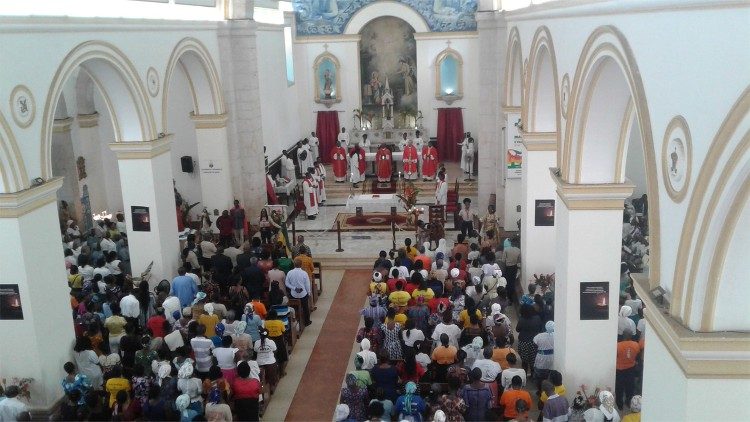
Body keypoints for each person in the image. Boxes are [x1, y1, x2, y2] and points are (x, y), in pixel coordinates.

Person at [615, 332, 640, 410]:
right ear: (631, 337)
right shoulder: (636, 345)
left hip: (620, 370)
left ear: (623, 337)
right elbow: (637, 356)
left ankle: (620, 405)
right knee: (630, 387)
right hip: (631, 369)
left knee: (619, 388)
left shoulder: (618, 345)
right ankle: (629, 402)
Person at [286, 257, 313, 326]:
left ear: (294, 265)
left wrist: (294, 288)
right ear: (301, 265)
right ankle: (307, 322)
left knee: (294, 307)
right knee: (305, 307)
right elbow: (307, 284)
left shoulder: (290, 272)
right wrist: (309, 293)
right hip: (303, 294)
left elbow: (287, 283)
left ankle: (295, 319)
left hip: (293, 294)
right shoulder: (304, 273)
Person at [533, 321, 555, 392]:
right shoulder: (557, 335)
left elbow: (535, 344)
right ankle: (549, 392)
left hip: (541, 357)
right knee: (550, 376)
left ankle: (540, 391)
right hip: (553, 357)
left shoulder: (539, 336)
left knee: (540, 377)